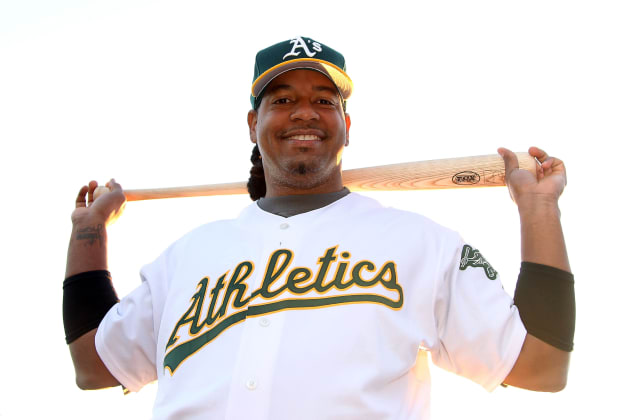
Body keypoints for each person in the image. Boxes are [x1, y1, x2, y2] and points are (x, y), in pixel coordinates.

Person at [63, 36, 575, 419]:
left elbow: (540, 364)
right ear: (252, 123)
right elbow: (94, 364)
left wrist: (537, 210)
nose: (304, 111)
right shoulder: (186, 256)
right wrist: (89, 231)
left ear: (346, 127)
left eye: (324, 100)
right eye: (282, 99)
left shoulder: (421, 244)